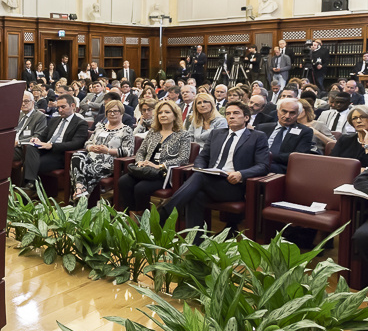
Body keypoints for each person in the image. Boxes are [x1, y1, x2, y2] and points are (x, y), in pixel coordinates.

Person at [158, 100, 270, 232]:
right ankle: (195, 244)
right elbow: (202, 157)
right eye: (228, 114)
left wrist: (241, 174)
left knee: (199, 177)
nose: (231, 116)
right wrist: (201, 168)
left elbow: (263, 166)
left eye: (236, 113)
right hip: (210, 179)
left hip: (233, 185)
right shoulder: (217, 134)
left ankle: (165, 213)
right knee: (196, 195)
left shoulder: (257, 137)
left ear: (246, 117)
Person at [116, 100, 192, 213]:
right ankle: (131, 214)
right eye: (160, 113)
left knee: (140, 188)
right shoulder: (153, 132)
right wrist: (140, 162)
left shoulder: (183, 134)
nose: (163, 115)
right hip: (145, 168)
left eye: (167, 112)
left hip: (164, 173)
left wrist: (160, 166)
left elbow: (184, 158)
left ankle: (142, 217)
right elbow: (141, 151)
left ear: (175, 115)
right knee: (123, 181)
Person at [21, 94, 88, 194]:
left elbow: (76, 144)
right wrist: (36, 139)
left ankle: (28, 187)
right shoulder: (54, 120)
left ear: (73, 106)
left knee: (31, 163)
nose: (60, 110)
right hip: (45, 149)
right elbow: (43, 136)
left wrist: (52, 146)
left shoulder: (80, 123)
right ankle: (30, 186)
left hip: (60, 153)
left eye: (63, 107)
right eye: (58, 107)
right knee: (31, 147)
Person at [69, 100, 134, 201]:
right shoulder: (100, 127)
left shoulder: (126, 130)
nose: (112, 113)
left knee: (84, 170)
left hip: (108, 162)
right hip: (90, 157)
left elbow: (128, 151)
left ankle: (78, 200)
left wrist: (107, 150)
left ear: (121, 112)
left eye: (115, 111)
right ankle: (80, 188)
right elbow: (87, 143)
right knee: (77, 156)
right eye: (109, 111)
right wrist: (91, 147)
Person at [256, 97, 314, 174]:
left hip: (281, 166)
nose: (287, 116)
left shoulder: (305, 132)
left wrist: (268, 156)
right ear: (277, 111)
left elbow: (298, 156)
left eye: (292, 113)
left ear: (298, 114)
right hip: (257, 162)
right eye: (284, 111)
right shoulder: (262, 127)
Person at [13, 91, 49, 177]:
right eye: (21, 101)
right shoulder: (18, 115)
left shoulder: (39, 116)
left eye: (26, 101)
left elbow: (37, 137)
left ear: (32, 102)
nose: (23, 104)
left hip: (22, 148)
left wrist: (18, 142)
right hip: (10, 144)